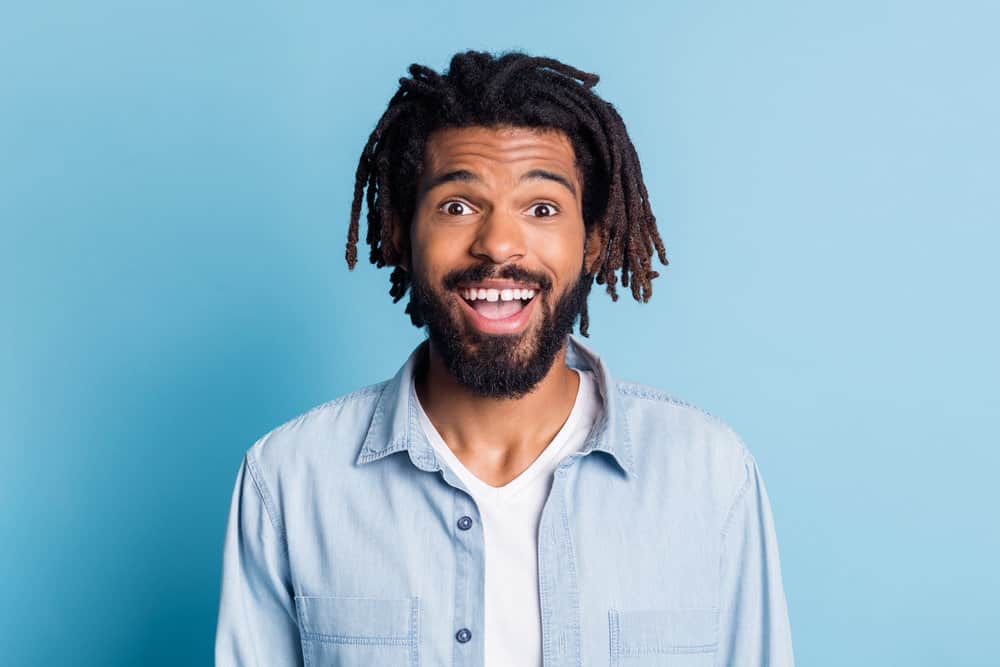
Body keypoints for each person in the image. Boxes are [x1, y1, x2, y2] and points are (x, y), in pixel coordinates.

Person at [215, 50, 794, 666]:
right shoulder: (289, 481)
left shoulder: (709, 476)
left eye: (541, 208)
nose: (498, 243)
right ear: (401, 236)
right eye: (457, 206)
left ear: (593, 242)